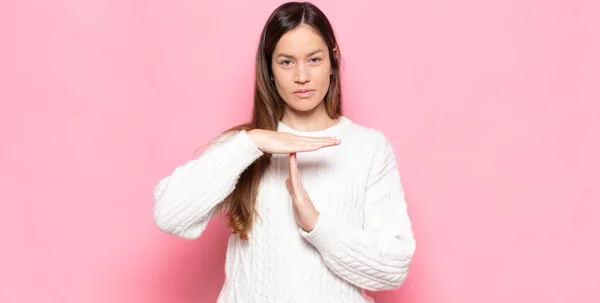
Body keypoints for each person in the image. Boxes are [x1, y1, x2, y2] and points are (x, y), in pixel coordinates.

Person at [152, 1, 416, 302]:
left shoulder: (369, 148)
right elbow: (169, 216)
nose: (301, 76)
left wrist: (316, 225)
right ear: (270, 69)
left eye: (314, 60)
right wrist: (251, 144)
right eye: (286, 62)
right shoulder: (244, 146)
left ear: (333, 61)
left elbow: (394, 268)